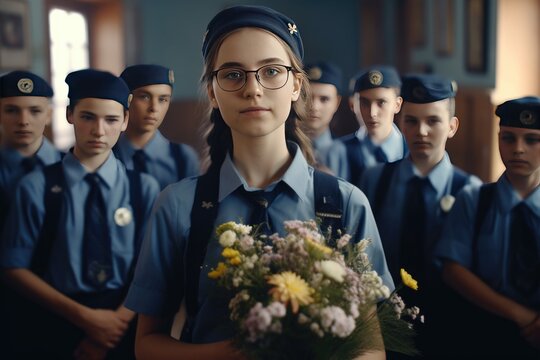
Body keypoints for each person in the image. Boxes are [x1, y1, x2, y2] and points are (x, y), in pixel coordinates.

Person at [124, 5, 392, 360]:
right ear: (214, 93)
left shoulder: (346, 204)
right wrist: (234, 354)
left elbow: (371, 346)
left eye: (271, 71)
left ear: (296, 85)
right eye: (233, 75)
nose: (253, 89)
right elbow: (146, 345)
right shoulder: (178, 205)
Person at [0, 69, 160, 359]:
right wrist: (87, 319)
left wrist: (116, 323)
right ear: (70, 114)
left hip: (124, 320)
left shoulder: (143, 188)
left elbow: (151, 266)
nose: (99, 131)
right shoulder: (37, 185)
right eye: (88, 117)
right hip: (57, 317)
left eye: (111, 119)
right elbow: (13, 266)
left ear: (125, 120)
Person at [359, 73, 482, 358]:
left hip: (449, 327)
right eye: (411, 121)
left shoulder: (470, 190)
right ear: (400, 122)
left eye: (433, 121)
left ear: (452, 126)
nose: (421, 131)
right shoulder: (375, 179)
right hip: (385, 320)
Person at [434, 96, 540, 359]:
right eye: (508, 138)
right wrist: (521, 316)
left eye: (531, 140)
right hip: (483, 335)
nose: (518, 149)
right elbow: (453, 269)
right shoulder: (475, 199)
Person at [114, 64, 199, 190]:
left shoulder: (183, 158)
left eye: (163, 99)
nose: (154, 108)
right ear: (126, 99)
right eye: (144, 97)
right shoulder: (108, 155)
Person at [0, 70, 63, 233]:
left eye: (35, 111)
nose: (23, 121)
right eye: (12, 111)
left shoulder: (70, 166)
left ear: (48, 115)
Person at [340, 65, 406, 186]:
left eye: (381, 102)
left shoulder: (410, 150)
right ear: (353, 105)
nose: (372, 113)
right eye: (364, 103)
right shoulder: (339, 151)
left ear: (397, 105)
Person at [303, 61, 348, 178]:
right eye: (307, 97)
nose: (314, 107)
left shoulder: (348, 153)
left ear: (337, 102)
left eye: (324, 99)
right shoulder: (281, 149)